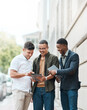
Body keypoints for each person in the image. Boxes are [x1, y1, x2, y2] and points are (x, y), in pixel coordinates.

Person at [49, 38, 81, 110]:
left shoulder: (74, 56)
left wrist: (57, 71)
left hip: (72, 88)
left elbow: (71, 70)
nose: (57, 49)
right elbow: (64, 72)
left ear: (64, 46)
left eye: (58, 47)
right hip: (63, 88)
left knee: (72, 108)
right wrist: (58, 77)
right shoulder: (61, 58)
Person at [32, 40, 59, 110]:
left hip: (48, 89)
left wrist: (46, 78)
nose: (41, 50)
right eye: (40, 48)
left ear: (47, 47)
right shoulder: (36, 60)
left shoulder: (53, 58)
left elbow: (55, 73)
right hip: (36, 89)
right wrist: (32, 77)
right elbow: (33, 73)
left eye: (43, 48)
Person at [10, 41, 35, 110]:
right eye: (28, 53)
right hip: (19, 91)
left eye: (32, 53)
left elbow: (29, 78)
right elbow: (12, 74)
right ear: (23, 50)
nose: (30, 55)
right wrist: (25, 74)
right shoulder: (16, 59)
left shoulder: (30, 62)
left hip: (28, 92)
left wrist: (32, 91)